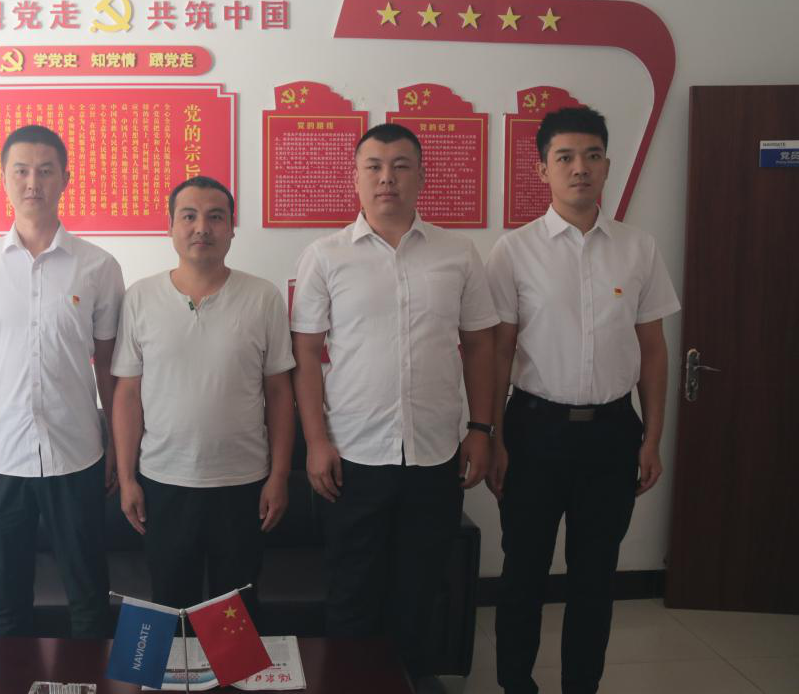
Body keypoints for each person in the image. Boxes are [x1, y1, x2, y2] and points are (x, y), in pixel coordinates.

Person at [291, 123, 498, 681]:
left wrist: (481, 428)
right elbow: (305, 352)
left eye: (401, 166)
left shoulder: (458, 253)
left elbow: (480, 344)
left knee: (419, 592)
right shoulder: (325, 256)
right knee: (351, 593)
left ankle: (409, 683)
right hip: (353, 456)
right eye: (375, 166)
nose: (388, 178)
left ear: (421, 176)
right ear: (356, 178)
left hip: (434, 453)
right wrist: (315, 441)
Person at [485, 106, 680, 694]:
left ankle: (581, 686)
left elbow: (653, 351)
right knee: (523, 571)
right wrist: (492, 437)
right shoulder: (514, 251)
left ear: (607, 166)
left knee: (595, 577)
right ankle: (516, 683)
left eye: (592, 156)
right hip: (533, 431)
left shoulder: (638, 248)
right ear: (542, 169)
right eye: (565, 157)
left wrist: (652, 438)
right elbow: (498, 353)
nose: (580, 168)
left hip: (612, 434)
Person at [0, 124, 123, 638]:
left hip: (77, 453)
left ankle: (90, 677)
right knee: (6, 602)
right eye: (21, 170)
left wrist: (117, 446)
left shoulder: (98, 267)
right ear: (3, 178)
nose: (33, 182)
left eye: (46, 171)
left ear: (65, 178)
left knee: (88, 597)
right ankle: (12, 677)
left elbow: (109, 367)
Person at [111, 176, 295, 615]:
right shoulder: (140, 297)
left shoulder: (263, 297)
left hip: (243, 483)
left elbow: (279, 393)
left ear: (231, 227)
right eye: (189, 216)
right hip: (164, 481)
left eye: (215, 217)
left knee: (236, 613)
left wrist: (279, 476)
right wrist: (127, 477)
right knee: (172, 607)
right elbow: (128, 394)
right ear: (170, 226)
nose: (202, 228)